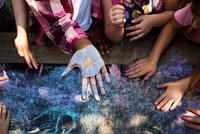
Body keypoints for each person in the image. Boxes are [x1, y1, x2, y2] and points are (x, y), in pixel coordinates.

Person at [11, 0, 111, 102]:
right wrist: (82, 44)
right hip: (58, 37)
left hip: (84, 31)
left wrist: (97, 21)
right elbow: (56, 22)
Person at [140, 0, 200, 112]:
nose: (194, 25)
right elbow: (172, 26)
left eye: (199, 23)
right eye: (194, 18)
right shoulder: (192, 9)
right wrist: (152, 59)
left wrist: (184, 84)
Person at [103, 0, 179, 44]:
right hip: (127, 50)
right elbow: (113, 38)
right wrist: (117, 26)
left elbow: (174, 13)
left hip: (156, 44)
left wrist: (154, 20)